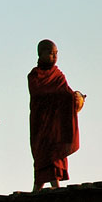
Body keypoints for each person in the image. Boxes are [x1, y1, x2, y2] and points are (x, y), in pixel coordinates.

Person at [29, 39, 82, 190]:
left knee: (55, 153)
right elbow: (40, 93)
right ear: (41, 54)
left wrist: (76, 98)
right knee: (43, 155)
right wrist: (65, 96)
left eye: (56, 53)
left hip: (56, 125)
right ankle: (41, 188)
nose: (54, 56)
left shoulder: (58, 75)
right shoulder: (34, 76)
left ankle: (50, 187)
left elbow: (65, 92)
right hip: (41, 123)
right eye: (51, 53)